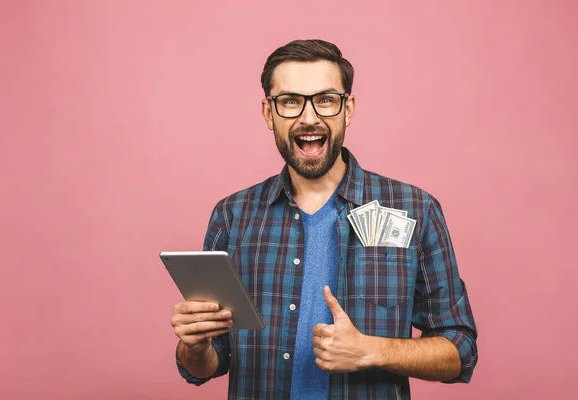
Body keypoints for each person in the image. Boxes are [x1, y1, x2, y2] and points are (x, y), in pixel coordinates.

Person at [170, 39, 478, 399]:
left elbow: (461, 350)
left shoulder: (416, 209)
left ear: (348, 109)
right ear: (269, 114)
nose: (309, 117)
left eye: (326, 100)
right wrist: (195, 346)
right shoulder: (232, 215)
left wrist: (370, 350)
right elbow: (208, 363)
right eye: (290, 101)